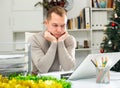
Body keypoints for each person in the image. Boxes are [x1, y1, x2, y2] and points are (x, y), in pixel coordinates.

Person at [28, 6, 76, 74]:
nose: (59, 30)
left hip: (61, 80)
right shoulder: (34, 39)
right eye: (55, 25)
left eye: (63, 26)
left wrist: (60, 42)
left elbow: (68, 68)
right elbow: (42, 69)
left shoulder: (70, 39)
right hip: (40, 80)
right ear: (46, 24)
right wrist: (54, 43)